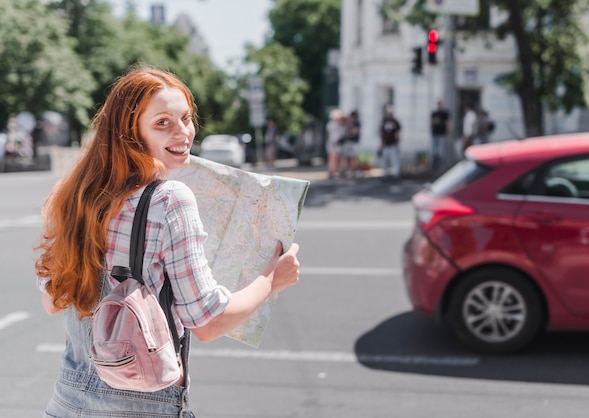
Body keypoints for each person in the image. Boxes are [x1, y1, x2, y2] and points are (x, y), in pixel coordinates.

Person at [34, 65, 300, 417]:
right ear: (130, 133)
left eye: (186, 118)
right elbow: (207, 324)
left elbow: (52, 302)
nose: (183, 132)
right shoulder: (170, 199)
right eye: (163, 122)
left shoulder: (74, 197)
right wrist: (271, 280)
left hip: (67, 401)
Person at [379, 104, 401, 180]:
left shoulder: (395, 122)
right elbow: (381, 133)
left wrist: (397, 143)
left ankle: (395, 174)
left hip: (393, 144)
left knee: (394, 161)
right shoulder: (383, 121)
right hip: (385, 144)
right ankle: (385, 175)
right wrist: (381, 144)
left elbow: (397, 133)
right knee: (384, 161)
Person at [339, 110, 361, 178]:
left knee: (353, 157)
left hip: (353, 142)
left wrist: (348, 133)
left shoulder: (356, 122)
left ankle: (353, 171)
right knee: (346, 157)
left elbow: (355, 132)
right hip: (348, 142)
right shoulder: (349, 122)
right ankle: (345, 170)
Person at [430, 100, 449, 171]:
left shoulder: (445, 114)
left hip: (442, 134)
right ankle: (434, 166)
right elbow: (431, 123)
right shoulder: (434, 113)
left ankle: (443, 167)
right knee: (434, 151)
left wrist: (448, 134)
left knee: (442, 151)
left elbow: (448, 124)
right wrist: (435, 121)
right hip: (435, 134)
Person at [325, 108, 345, 179]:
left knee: (336, 157)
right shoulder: (332, 124)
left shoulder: (339, 124)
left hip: (337, 143)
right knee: (333, 157)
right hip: (333, 143)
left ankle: (335, 171)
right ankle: (333, 171)